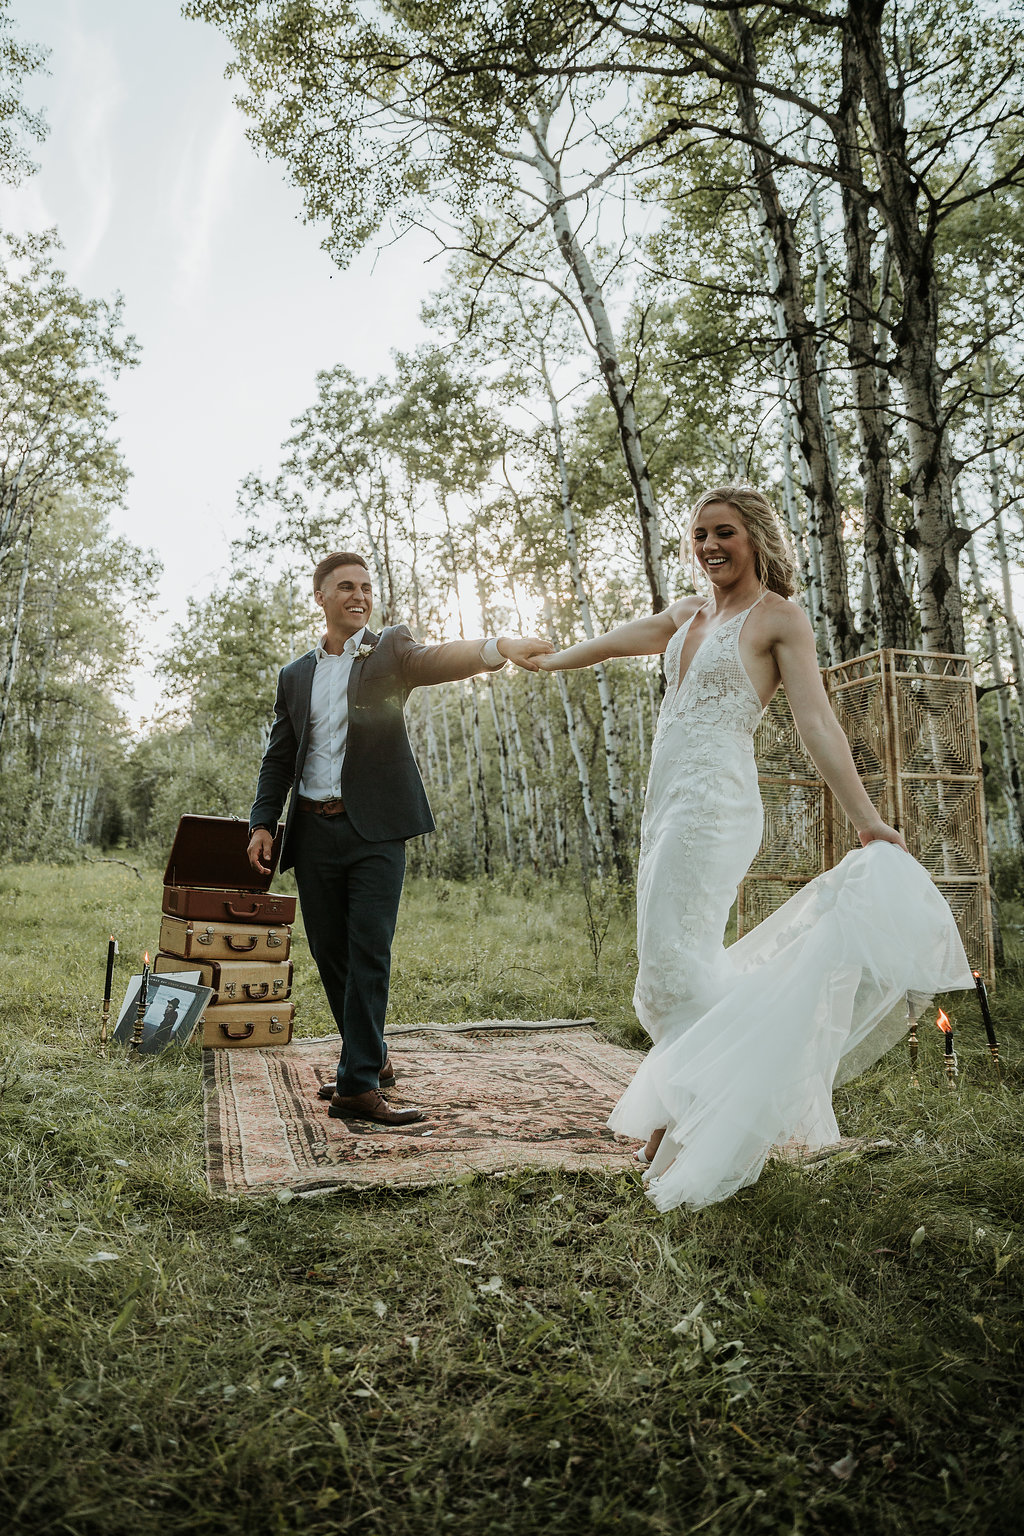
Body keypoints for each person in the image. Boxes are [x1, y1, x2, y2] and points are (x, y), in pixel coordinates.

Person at [538, 485, 974, 1209]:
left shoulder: (781, 620)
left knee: (672, 972)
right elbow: (618, 638)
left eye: (725, 533)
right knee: (673, 963)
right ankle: (692, 1108)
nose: (710, 546)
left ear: (756, 538)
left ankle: (691, 1121)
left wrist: (867, 820)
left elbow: (819, 727)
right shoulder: (690, 613)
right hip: (665, 803)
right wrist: (550, 661)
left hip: (715, 807)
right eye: (700, 534)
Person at [247, 552, 551, 1126]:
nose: (359, 595)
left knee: (369, 952)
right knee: (330, 953)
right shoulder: (295, 675)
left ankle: (357, 1086)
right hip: (312, 834)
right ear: (321, 597)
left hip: (376, 832)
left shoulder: (388, 650)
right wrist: (263, 822)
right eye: (345, 587)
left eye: (366, 587)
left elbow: (437, 660)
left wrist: (497, 648)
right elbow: (279, 756)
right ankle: (372, 1057)